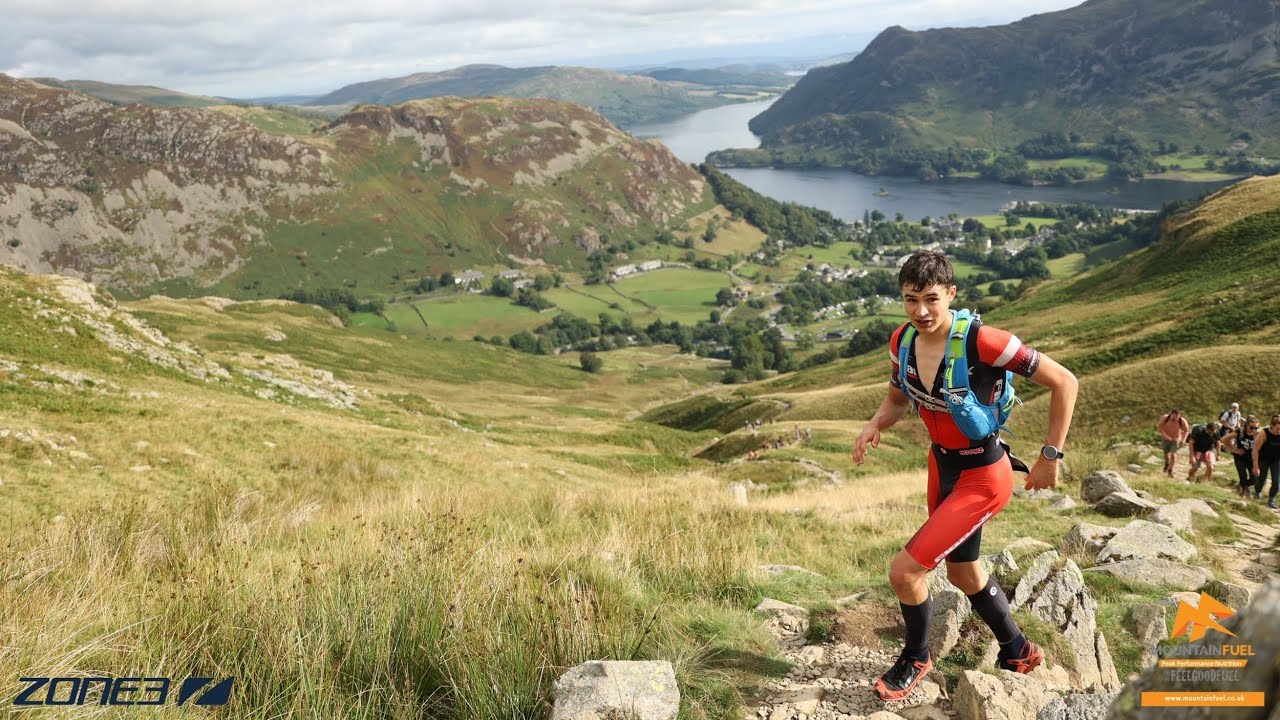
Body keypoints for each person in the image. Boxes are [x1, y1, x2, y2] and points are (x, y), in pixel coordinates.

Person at [852, 251, 1078, 702]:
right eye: (910, 299)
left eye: (931, 299)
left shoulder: (987, 342)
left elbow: (1065, 381)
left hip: (983, 475)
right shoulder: (902, 342)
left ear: (951, 295)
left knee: (905, 573)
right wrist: (875, 422)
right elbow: (897, 400)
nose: (921, 311)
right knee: (963, 572)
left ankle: (917, 656)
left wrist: (1050, 455)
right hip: (942, 466)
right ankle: (1018, 649)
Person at [1221, 416, 1259, 498]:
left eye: (1256, 428)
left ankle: (1242, 486)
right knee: (1243, 476)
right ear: (1247, 425)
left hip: (1251, 458)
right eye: (1251, 427)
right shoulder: (1240, 432)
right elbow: (1223, 439)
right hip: (1240, 458)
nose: (1254, 430)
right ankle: (1243, 493)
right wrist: (1233, 449)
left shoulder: (1257, 434)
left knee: (1254, 479)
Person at [1252, 414, 1280, 509]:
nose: (1279, 431)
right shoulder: (1263, 433)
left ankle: (1271, 500)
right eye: (1277, 429)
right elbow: (1255, 449)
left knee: (1276, 482)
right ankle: (1257, 493)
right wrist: (1256, 466)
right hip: (1263, 459)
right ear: (1271, 426)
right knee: (1261, 479)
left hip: (1276, 460)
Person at [1157, 409, 1189, 478]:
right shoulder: (1165, 418)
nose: (1175, 420)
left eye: (1177, 418)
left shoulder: (1182, 421)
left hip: (1176, 439)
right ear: (1171, 415)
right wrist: (1165, 436)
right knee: (1166, 454)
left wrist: (1183, 440)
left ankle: (1170, 470)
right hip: (1166, 438)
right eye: (1173, 418)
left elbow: (1186, 431)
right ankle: (1167, 464)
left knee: (1173, 454)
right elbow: (1159, 427)